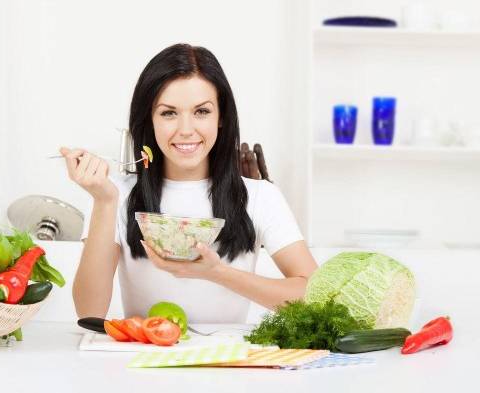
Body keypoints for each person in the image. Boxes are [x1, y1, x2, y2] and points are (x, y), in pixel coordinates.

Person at [61, 43, 317, 323]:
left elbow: (313, 296)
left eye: (202, 112)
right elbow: (89, 312)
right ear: (149, 120)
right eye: (169, 113)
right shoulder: (116, 194)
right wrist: (104, 201)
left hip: (229, 363)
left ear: (221, 118)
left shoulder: (259, 196)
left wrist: (216, 273)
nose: (186, 130)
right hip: (143, 362)